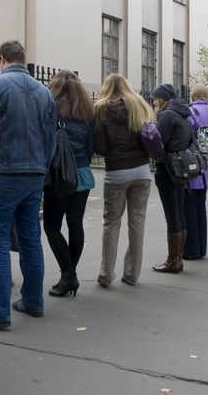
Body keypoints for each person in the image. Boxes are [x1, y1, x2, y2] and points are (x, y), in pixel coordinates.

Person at [0, 40, 57, 329]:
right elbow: (51, 138)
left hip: (3, 172)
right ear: (23, 58)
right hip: (34, 172)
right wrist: (42, 167)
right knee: (30, 237)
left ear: (1, 59)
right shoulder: (44, 91)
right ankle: (33, 301)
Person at [94, 74, 155, 287]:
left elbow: (100, 148)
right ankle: (132, 274)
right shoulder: (140, 105)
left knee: (111, 223)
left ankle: (105, 274)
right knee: (137, 223)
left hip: (116, 173)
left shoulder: (100, 108)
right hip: (141, 172)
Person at [43, 70, 95, 296]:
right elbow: (93, 146)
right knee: (76, 224)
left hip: (59, 174)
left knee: (52, 226)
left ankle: (69, 275)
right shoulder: (88, 112)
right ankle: (69, 274)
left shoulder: (51, 110)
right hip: (82, 173)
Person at [151, 83, 192, 273]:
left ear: (162, 99)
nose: (153, 102)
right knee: (180, 214)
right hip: (180, 168)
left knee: (172, 216)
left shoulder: (166, 115)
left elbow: (158, 143)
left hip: (167, 169)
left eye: (155, 98)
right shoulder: (184, 114)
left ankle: (173, 261)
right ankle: (178, 258)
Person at [183, 85, 208, 260]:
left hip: (193, 166)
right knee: (200, 207)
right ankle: (201, 248)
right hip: (207, 166)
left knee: (189, 207)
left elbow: (187, 138)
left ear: (193, 96)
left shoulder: (191, 112)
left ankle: (191, 249)